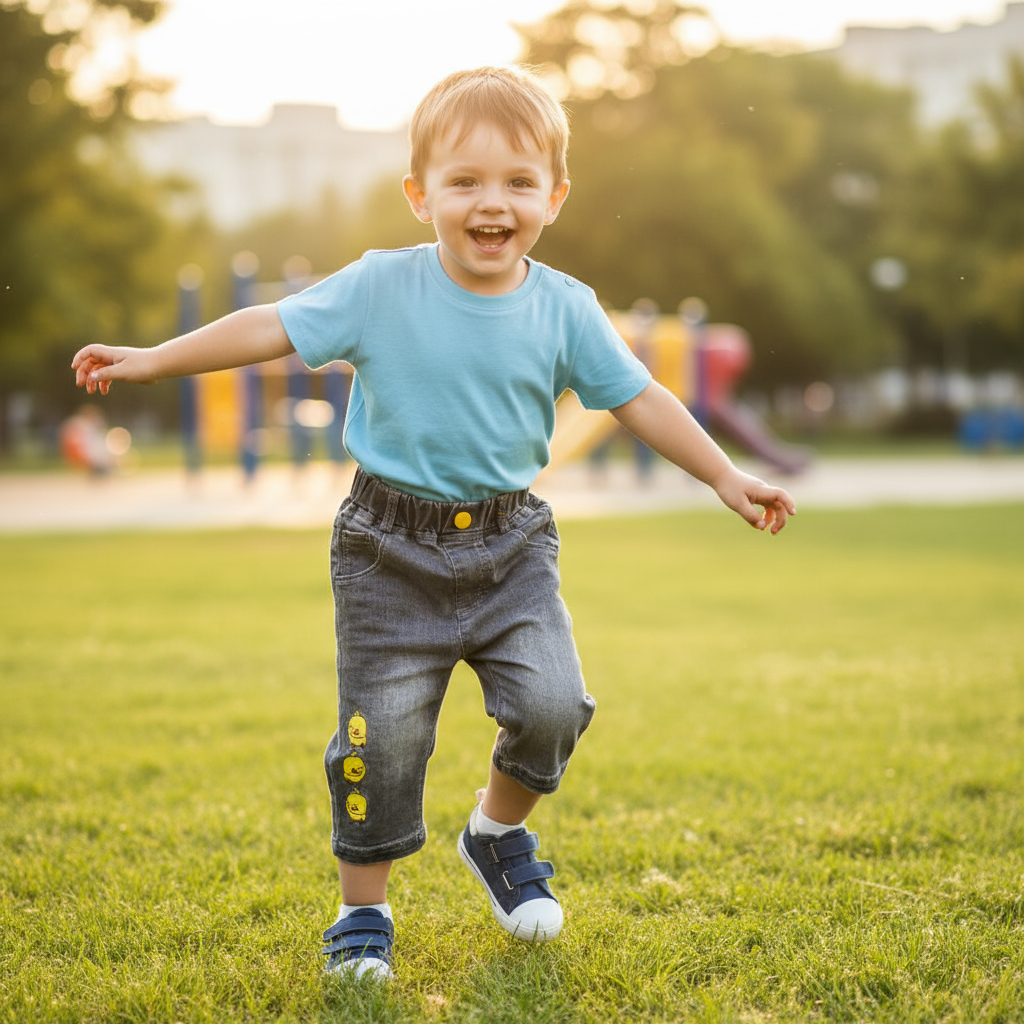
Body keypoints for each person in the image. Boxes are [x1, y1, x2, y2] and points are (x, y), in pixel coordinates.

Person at [72, 65, 795, 980]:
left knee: (552, 705)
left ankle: (495, 835)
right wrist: (149, 361)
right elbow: (269, 329)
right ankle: (361, 915)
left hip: (511, 546)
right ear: (420, 196)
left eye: (518, 183)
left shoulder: (566, 307)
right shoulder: (379, 287)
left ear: (556, 196)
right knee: (384, 737)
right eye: (465, 182)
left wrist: (727, 476)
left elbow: (640, 398)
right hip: (387, 549)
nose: (492, 204)